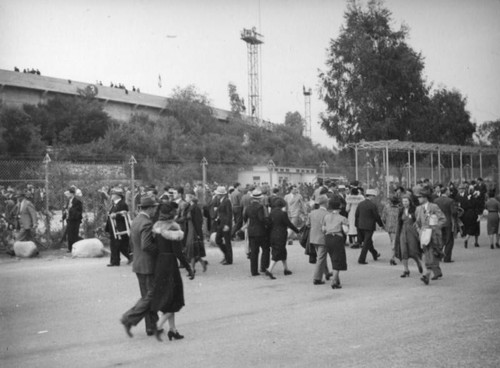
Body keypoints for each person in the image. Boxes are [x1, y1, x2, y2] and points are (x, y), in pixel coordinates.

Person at [151, 202, 194, 341]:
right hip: (170, 265)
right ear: (172, 213)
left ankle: (173, 330)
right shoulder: (174, 228)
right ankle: (158, 325)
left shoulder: (156, 227)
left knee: (168, 298)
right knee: (175, 298)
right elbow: (178, 253)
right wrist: (188, 267)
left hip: (160, 263)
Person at [120, 196, 160, 338]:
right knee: (151, 296)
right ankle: (128, 318)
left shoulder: (136, 220)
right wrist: (159, 252)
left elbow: (133, 243)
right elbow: (147, 245)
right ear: (149, 208)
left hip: (139, 263)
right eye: (154, 207)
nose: (155, 210)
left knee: (148, 296)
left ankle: (151, 326)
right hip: (148, 264)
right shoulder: (147, 223)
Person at [415, 188, 446, 285]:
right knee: (427, 254)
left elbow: (443, 219)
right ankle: (434, 273)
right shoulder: (418, 209)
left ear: (425, 197)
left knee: (432, 254)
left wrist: (435, 227)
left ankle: (426, 275)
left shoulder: (434, 207)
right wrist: (419, 230)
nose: (418, 199)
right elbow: (417, 223)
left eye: (420, 197)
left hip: (434, 235)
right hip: (424, 235)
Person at [265, 197, 299, 279]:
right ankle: (269, 270)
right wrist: (297, 231)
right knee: (277, 252)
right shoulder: (283, 213)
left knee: (282, 251)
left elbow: (269, 225)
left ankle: (286, 269)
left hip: (273, 234)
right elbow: (289, 224)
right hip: (281, 234)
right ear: (282, 205)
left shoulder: (271, 213)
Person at [321, 198, 349, 289]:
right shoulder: (342, 218)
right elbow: (346, 230)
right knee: (338, 259)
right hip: (337, 238)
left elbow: (323, 229)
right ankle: (334, 281)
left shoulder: (326, 216)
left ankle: (337, 280)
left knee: (333, 258)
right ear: (339, 207)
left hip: (327, 238)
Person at [394, 195, 423, 277]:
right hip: (403, 231)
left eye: (406, 201)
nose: (404, 203)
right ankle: (406, 270)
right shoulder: (401, 210)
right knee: (403, 251)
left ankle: (418, 262)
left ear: (410, 201)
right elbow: (399, 222)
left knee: (413, 250)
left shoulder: (415, 210)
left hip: (412, 231)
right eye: (403, 201)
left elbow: (419, 219)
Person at [243, 189, 269, 276]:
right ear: (259, 199)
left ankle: (253, 271)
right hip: (261, 231)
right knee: (265, 249)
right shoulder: (260, 207)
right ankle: (263, 267)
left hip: (251, 231)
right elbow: (262, 219)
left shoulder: (248, 207)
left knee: (254, 251)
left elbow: (245, 217)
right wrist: (267, 222)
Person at [308, 194, 332, 284]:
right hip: (323, 238)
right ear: (326, 203)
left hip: (313, 238)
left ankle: (327, 273)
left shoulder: (312, 213)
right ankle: (317, 278)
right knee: (321, 258)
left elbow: (308, 224)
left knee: (321, 256)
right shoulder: (327, 214)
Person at [355, 189, 383, 264]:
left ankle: (375, 253)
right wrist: (381, 224)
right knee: (366, 243)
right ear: (371, 196)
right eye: (373, 196)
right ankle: (361, 259)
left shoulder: (360, 204)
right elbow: (376, 216)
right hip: (369, 226)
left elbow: (357, 215)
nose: (374, 198)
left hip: (360, 226)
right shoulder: (372, 205)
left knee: (368, 241)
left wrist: (356, 225)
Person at [105, 187, 131, 267]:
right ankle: (115, 261)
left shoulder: (122, 204)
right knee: (115, 245)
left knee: (121, 245)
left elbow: (124, 214)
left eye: (113, 194)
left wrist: (116, 215)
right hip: (114, 228)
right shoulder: (115, 204)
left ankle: (129, 258)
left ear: (118, 195)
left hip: (120, 228)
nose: (111, 196)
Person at [184, 193, 208, 272]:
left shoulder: (195, 208)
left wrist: (198, 234)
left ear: (190, 198)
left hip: (194, 231)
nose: (185, 198)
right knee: (192, 250)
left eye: (186, 197)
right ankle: (201, 263)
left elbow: (198, 222)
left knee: (192, 250)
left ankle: (192, 268)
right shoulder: (189, 207)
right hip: (190, 230)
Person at [434, 186, 458, 261]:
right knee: (449, 240)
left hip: (438, 223)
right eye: (448, 190)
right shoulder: (450, 201)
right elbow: (454, 212)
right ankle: (447, 258)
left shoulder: (435, 200)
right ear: (446, 192)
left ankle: (437, 255)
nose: (449, 192)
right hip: (448, 222)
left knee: (440, 239)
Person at [213, 186, 233, 264]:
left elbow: (229, 214)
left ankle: (229, 259)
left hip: (225, 224)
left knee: (227, 242)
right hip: (221, 223)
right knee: (218, 240)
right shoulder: (221, 201)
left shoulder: (227, 201)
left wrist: (227, 225)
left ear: (221, 194)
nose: (217, 195)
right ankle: (226, 255)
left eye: (218, 194)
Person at [381, 195, 400, 265]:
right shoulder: (400, 209)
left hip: (389, 227)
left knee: (392, 241)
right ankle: (393, 257)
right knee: (394, 242)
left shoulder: (386, 208)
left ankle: (393, 256)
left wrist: (385, 224)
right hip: (396, 227)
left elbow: (383, 218)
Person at [63, 188, 83, 253]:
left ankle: (75, 247)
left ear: (72, 194)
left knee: (74, 234)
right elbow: (67, 210)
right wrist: (63, 217)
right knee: (69, 234)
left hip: (75, 220)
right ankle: (70, 248)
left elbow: (78, 211)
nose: (67, 195)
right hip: (69, 219)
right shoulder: (69, 201)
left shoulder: (77, 201)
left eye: (68, 194)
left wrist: (71, 208)